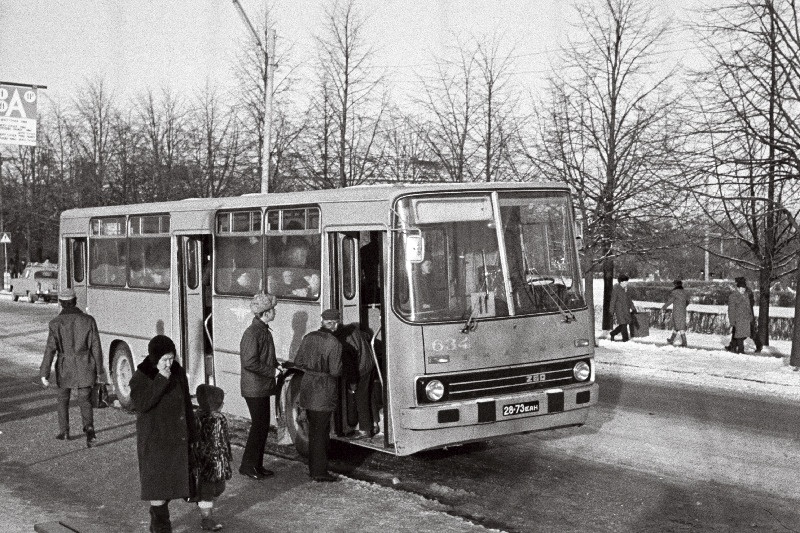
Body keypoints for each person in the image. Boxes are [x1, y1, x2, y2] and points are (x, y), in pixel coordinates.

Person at [130, 335, 197, 533]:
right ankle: (160, 527)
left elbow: (186, 404)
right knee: (157, 489)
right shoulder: (142, 376)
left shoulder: (178, 371)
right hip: (155, 441)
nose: (169, 363)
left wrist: (193, 435)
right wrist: (160, 379)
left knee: (172, 485)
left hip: (176, 439)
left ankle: (159, 522)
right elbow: (141, 404)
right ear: (154, 358)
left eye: (171, 358)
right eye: (164, 360)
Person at [39, 288, 107, 447]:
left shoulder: (55, 323)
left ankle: (64, 432)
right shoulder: (89, 320)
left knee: (62, 399)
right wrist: (99, 371)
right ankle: (89, 429)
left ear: (61, 303)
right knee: (85, 400)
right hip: (85, 366)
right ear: (75, 301)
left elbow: (50, 349)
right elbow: (96, 347)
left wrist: (44, 373)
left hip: (65, 367)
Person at [294, 309, 343, 482]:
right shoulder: (334, 343)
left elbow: (298, 362)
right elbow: (336, 371)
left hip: (308, 387)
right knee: (322, 433)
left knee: (314, 431)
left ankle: (313, 468)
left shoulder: (308, 337)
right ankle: (320, 472)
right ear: (335, 323)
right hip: (323, 390)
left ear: (323, 321)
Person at [238, 292, 279, 480]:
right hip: (255, 388)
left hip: (259, 386)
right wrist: (272, 372)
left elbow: (262, 357)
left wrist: (276, 365)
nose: (275, 312)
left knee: (261, 427)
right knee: (259, 426)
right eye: (273, 310)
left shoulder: (260, 330)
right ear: (265, 312)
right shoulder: (253, 333)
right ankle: (249, 466)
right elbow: (250, 362)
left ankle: (256, 465)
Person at [326, 311, 375, 439]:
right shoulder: (352, 330)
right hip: (368, 364)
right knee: (368, 396)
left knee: (360, 398)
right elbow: (366, 337)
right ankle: (373, 424)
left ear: (335, 323)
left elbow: (351, 366)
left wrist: (352, 384)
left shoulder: (343, 340)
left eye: (330, 323)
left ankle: (365, 430)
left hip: (361, 369)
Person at [192, 384, 232, 532]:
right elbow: (223, 441)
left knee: (217, 488)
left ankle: (204, 504)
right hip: (209, 463)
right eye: (221, 401)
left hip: (213, 462)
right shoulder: (217, 419)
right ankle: (206, 519)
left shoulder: (198, 416)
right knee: (208, 491)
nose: (223, 403)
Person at [725, 277, 762, 353]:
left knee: (746, 333)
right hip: (739, 318)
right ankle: (736, 348)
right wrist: (732, 321)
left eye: (744, 287)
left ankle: (734, 346)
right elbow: (731, 310)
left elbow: (749, 305)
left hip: (745, 317)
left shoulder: (746, 294)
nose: (743, 289)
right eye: (741, 287)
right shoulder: (735, 296)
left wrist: (750, 317)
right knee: (739, 333)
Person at [609, 275, 637, 341]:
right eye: (625, 282)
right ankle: (625, 339)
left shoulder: (626, 289)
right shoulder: (616, 289)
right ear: (621, 282)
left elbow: (629, 300)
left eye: (627, 282)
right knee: (623, 324)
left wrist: (633, 308)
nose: (626, 283)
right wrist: (611, 311)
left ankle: (613, 333)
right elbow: (613, 300)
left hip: (626, 309)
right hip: (619, 310)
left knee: (624, 324)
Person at [662, 279, 690, 347]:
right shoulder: (684, 292)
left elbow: (670, 301)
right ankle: (671, 339)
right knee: (677, 325)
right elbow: (688, 301)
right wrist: (683, 306)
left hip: (677, 311)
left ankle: (684, 342)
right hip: (682, 311)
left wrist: (664, 307)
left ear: (676, 285)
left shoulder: (674, 292)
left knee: (680, 327)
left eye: (674, 284)